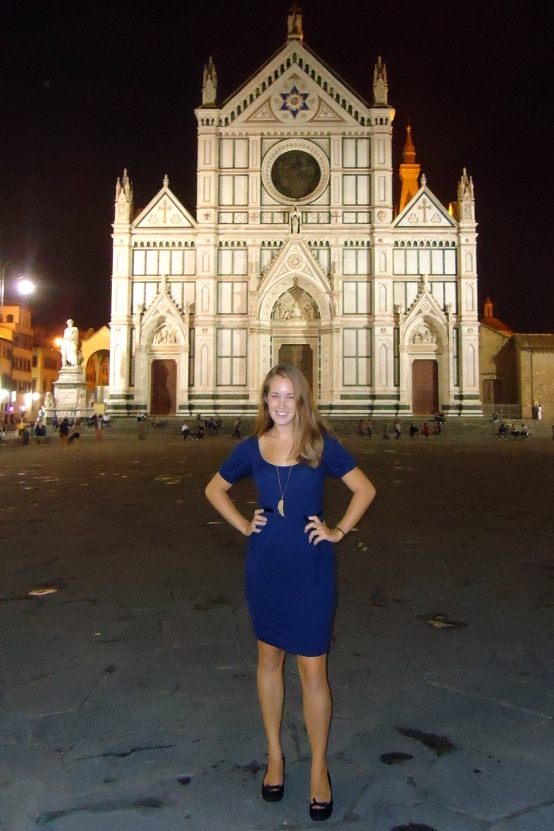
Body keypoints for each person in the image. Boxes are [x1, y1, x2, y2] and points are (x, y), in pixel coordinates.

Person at [205, 364, 376, 821]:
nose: (281, 404)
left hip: (310, 567)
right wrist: (245, 523)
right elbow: (214, 488)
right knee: (268, 661)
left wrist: (338, 529)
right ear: (264, 402)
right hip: (266, 565)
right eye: (273, 396)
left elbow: (364, 488)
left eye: (289, 396)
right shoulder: (251, 447)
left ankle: (319, 767)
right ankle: (275, 756)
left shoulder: (321, 445)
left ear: (301, 401)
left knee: (313, 671)